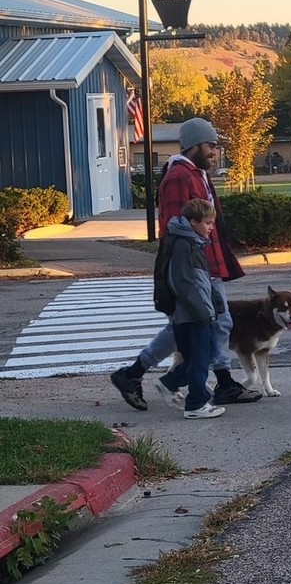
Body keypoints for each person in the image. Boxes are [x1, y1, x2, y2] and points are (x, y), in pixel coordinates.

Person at [110, 117, 261, 410]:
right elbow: (173, 226)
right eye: (211, 145)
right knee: (195, 327)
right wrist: (192, 269)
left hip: (206, 264)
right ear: (194, 145)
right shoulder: (179, 177)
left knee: (207, 324)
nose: (214, 151)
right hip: (194, 267)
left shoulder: (195, 173)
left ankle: (218, 381)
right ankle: (142, 375)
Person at [152, 199, 226, 419]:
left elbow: (201, 280)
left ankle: (170, 382)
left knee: (207, 353)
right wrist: (203, 310)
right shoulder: (184, 245)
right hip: (192, 314)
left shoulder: (193, 242)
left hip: (198, 311)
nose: (211, 227)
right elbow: (185, 283)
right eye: (208, 223)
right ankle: (195, 404)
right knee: (200, 358)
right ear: (193, 222)